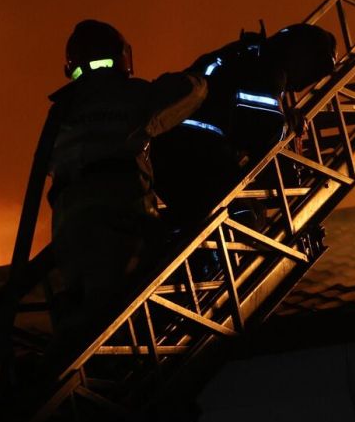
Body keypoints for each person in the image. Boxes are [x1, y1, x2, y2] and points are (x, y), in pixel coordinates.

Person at [45, 19, 207, 337]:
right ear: (122, 55)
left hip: (68, 220)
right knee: (150, 269)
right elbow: (188, 91)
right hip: (120, 205)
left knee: (86, 293)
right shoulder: (130, 95)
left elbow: (49, 163)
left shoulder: (61, 110)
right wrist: (203, 77)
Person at [149, 23, 336, 230]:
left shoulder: (244, 54)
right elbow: (264, 130)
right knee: (246, 217)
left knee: (198, 219)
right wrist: (289, 125)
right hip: (196, 155)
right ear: (302, 57)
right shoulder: (267, 68)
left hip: (168, 150)